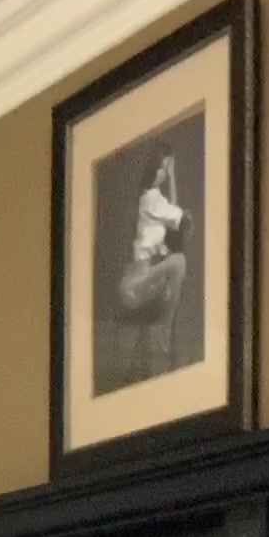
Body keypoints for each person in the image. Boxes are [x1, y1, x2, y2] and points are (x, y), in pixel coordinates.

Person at [116, 144, 193, 369]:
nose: (164, 172)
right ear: (153, 169)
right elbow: (180, 217)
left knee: (174, 268)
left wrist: (172, 176)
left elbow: (174, 216)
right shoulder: (150, 198)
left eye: (166, 168)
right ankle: (163, 338)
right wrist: (172, 177)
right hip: (138, 277)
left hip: (148, 273)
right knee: (179, 262)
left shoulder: (154, 198)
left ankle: (162, 341)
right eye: (162, 167)